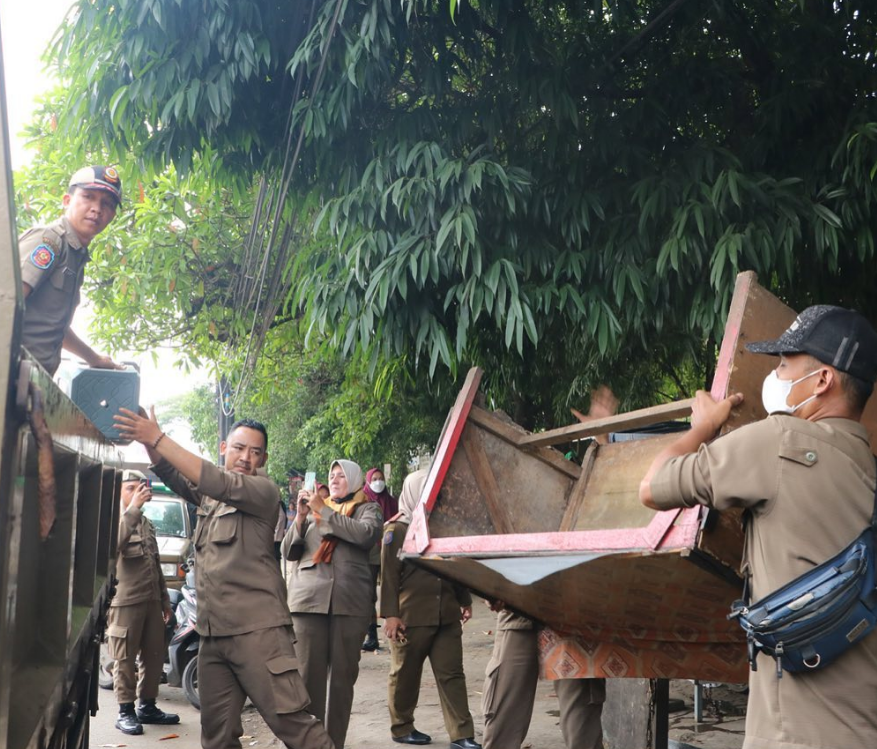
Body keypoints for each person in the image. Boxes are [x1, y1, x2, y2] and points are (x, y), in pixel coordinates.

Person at [639, 305, 877, 749]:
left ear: (823, 379)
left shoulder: (778, 441)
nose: (777, 375)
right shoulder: (869, 467)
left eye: (786, 363)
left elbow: (653, 486)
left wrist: (702, 428)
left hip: (792, 734)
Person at [114, 410, 333, 749]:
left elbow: (217, 480)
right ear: (223, 447)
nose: (246, 457)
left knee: (293, 726)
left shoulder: (263, 491)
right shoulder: (211, 498)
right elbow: (174, 474)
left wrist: (158, 436)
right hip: (213, 635)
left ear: (264, 458)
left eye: (256, 452)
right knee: (216, 737)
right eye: (239, 448)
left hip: (258, 634)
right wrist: (148, 442)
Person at [281, 459, 383, 749]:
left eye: (341, 476)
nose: (335, 480)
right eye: (331, 475)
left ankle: (332, 744)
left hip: (348, 604)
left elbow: (364, 535)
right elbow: (289, 551)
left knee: (341, 682)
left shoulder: (368, 509)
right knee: (305, 681)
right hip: (308, 602)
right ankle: (305, 744)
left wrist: (323, 510)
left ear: (354, 480)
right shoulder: (314, 512)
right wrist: (301, 518)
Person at [380, 469, 480, 748]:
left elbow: (453, 565)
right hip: (411, 616)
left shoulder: (442, 525)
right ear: (413, 492)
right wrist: (390, 615)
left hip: (446, 613)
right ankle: (401, 727)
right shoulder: (397, 530)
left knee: (452, 675)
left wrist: (464, 600)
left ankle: (462, 734)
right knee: (405, 676)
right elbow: (388, 575)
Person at [19, 166, 123, 374]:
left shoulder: (75, 255)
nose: (97, 208)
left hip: (33, 380)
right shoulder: (50, 241)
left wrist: (94, 359)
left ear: (112, 215)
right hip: (11, 372)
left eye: (107, 204)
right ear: (67, 201)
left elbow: (55, 328)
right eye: (88, 197)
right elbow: (8, 300)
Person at [107, 469, 179, 735]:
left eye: (140, 487)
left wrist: (165, 601)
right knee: (124, 658)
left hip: (150, 600)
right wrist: (133, 509)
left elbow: (156, 563)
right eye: (130, 488)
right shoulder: (115, 519)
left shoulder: (146, 523)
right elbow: (112, 546)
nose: (137, 492)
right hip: (125, 601)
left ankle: (147, 706)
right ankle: (125, 711)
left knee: (154, 655)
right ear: (119, 491)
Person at [363, 466, 398, 651]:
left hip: (389, 549)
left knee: (391, 588)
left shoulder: (391, 502)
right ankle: (372, 636)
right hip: (371, 551)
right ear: (368, 480)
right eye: (374, 478)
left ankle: (394, 626)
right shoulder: (363, 500)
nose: (378, 481)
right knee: (369, 594)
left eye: (380, 478)